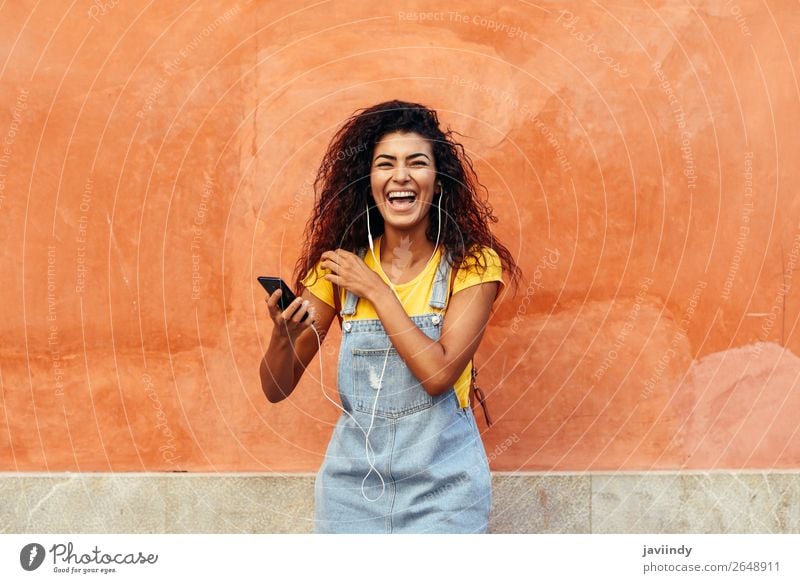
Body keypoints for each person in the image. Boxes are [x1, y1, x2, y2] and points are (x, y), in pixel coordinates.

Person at [259, 99, 521, 533]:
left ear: (437, 183)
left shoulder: (473, 267)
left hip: (445, 496)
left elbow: (438, 375)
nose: (401, 175)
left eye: (417, 162)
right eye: (386, 164)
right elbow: (276, 388)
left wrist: (376, 290)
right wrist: (281, 338)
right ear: (369, 181)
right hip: (350, 495)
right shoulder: (339, 270)